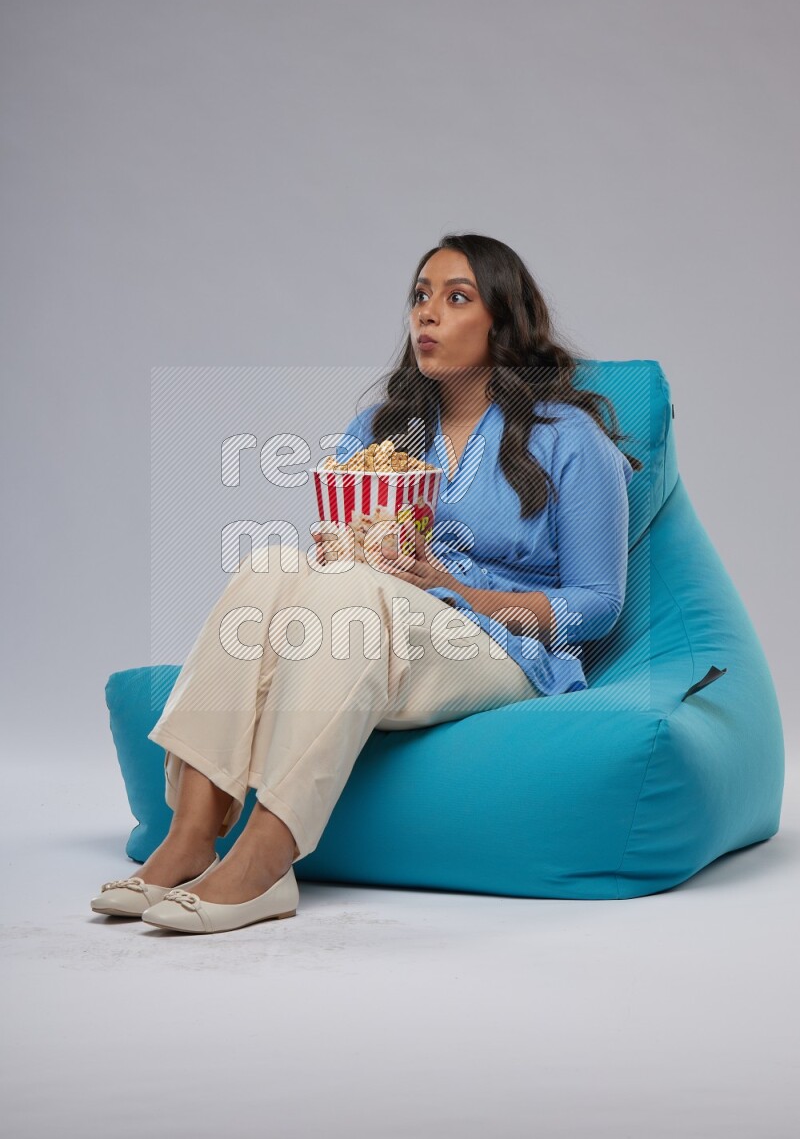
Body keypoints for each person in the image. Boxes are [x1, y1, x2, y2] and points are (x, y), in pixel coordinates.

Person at [91, 233, 641, 934]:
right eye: (420, 296)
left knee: (349, 596)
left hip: (503, 647)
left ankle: (267, 856)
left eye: (455, 297)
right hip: (379, 619)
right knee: (271, 565)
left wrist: (457, 591)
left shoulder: (570, 436)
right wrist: (341, 551)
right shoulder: (382, 429)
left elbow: (599, 605)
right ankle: (192, 831)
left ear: (501, 321)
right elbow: (337, 556)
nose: (427, 315)